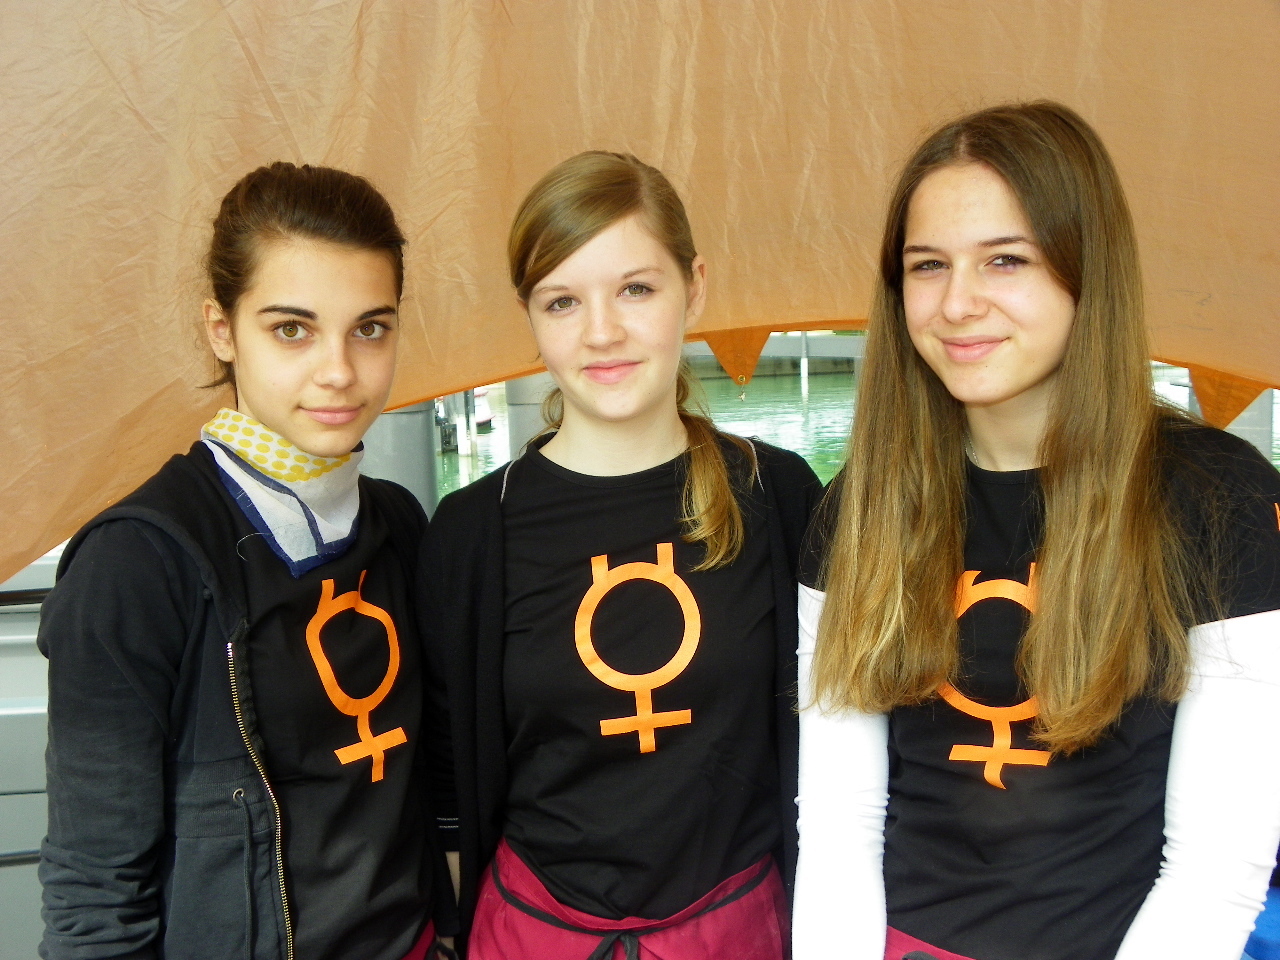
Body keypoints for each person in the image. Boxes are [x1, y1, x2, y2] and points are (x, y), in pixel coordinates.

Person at [791, 100, 1280, 960]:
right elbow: (839, 827)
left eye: (1005, 260)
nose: (957, 303)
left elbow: (1216, 866)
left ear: (1086, 269)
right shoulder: (858, 507)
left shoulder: (1218, 499)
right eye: (928, 265)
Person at [39, 162, 456, 960]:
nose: (339, 370)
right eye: (292, 329)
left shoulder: (398, 522)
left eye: (370, 328)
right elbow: (95, 895)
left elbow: (434, 785)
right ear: (222, 329)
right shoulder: (135, 563)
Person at [421, 151, 823, 959]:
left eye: (636, 289)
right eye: (562, 301)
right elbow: (447, 783)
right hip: (534, 936)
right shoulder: (471, 533)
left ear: (694, 288)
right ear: (531, 317)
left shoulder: (776, 496)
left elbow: (842, 752)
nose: (601, 332)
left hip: (738, 932)